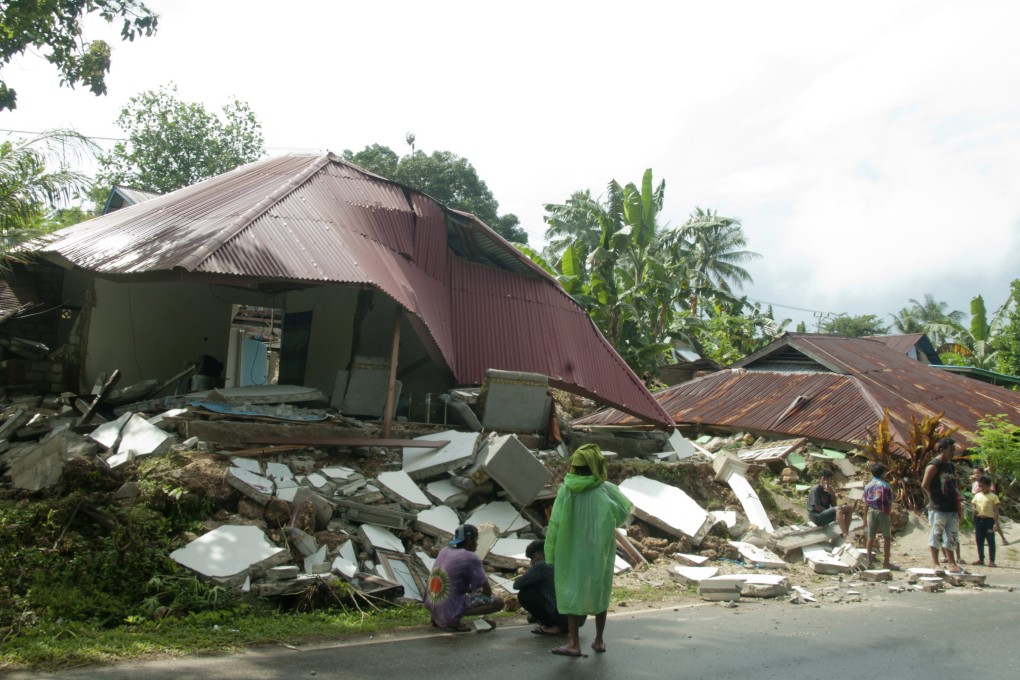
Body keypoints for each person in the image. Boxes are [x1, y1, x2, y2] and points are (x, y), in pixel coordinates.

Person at [545, 444, 631, 657]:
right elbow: (623, 514)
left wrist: (550, 551)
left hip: (570, 552)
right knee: (599, 590)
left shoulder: (566, 491)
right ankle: (599, 640)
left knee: (571, 591)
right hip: (598, 552)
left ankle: (574, 643)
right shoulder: (606, 490)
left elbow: (554, 523)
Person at [424, 524, 504, 632]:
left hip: (431, 602)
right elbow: (487, 592)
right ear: (469, 541)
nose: (477, 543)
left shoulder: (444, 550)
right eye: (476, 540)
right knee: (498, 602)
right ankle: (453, 618)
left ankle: (437, 616)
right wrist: (477, 591)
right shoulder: (472, 557)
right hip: (448, 606)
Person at [921, 437, 963, 573]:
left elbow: (952, 484)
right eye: (951, 450)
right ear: (942, 450)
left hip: (951, 507)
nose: (953, 453)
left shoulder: (949, 466)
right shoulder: (934, 466)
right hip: (939, 507)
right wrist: (932, 499)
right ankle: (936, 564)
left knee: (952, 536)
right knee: (936, 535)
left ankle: (952, 563)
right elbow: (925, 485)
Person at [514, 539, 568, 635]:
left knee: (525, 594)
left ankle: (554, 626)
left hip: (561, 615)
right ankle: (563, 626)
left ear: (537, 555)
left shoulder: (542, 564)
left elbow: (517, 585)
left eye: (531, 559)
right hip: (577, 615)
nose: (531, 563)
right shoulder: (562, 559)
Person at [862, 463, 894, 569]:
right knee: (886, 537)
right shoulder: (886, 486)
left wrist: (864, 519)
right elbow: (889, 502)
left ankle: (869, 562)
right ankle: (886, 563)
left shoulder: (867, 486)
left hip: (871, 511)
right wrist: (888, 513)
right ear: (882, 473)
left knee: (870, 537)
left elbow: (865, 503)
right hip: (883, 511)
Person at [807, 469, 853, 538]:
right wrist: (831, 513)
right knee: (838, 509)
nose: (826, 481)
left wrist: (832, 495)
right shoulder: (816, 489)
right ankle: (845, 535)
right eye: (824, 479)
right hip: (816, 516)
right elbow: (817, 507)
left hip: (824, 514)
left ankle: (845, 532)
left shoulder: (829, 490)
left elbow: (834, 505)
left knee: (849, 508)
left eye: (828, 479)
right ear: (821, 479)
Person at [972, 476, 1002, 567]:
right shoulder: (977, 495)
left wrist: (996, 524)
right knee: (979, 540)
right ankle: (981, 559)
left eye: (983, 486)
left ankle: (992, 560)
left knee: (990, 540)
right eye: (980, 486)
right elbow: (974, 505)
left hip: (989, 520)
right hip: (979, 520)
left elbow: (996, 511)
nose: (982, 488)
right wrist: (974, 510)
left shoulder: (994, 497)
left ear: (989, 486)